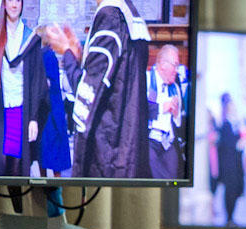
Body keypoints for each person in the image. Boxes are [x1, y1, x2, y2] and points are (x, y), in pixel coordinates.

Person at [45, 0, 150, 178]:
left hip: (107, 154)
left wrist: (67, 53)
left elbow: (87, 94)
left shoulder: (109, 18)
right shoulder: (130, 15)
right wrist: (79, 58)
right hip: (128, 149)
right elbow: (113, 83)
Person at [0, 0, 48, 177]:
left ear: (22, 4)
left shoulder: (30, 38)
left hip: (20, 113)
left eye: (18, 1)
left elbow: (38, 81)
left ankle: (17, 206)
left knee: (16, 171)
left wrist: (34, 118)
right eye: (10, 0)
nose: (14, 5)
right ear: (4, 4)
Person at [146, 44, 186, 179]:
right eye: (175, 65)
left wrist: (175, 112)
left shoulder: (175, 88)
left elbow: (178, 121)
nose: (177, 70)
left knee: (172, 180)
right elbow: (137, 112)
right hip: (149, 140)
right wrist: (164, 106)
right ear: (162, 64)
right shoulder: (145, 80)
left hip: (168, 142)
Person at [39, 48, 71, 177]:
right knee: (52, 153)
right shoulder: (48, 55)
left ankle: (50, 187)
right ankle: (55, 188)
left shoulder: (46, 56)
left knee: (47, 152)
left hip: (48, 110)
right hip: (52, 109)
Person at [215, 92, 243, 226]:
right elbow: (226, 145)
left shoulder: (234, 124)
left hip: (235, 166)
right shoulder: (225, 125)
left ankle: (231, 217)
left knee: (236, 190)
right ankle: (229, 218)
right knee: (230, 192)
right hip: (229, 166)